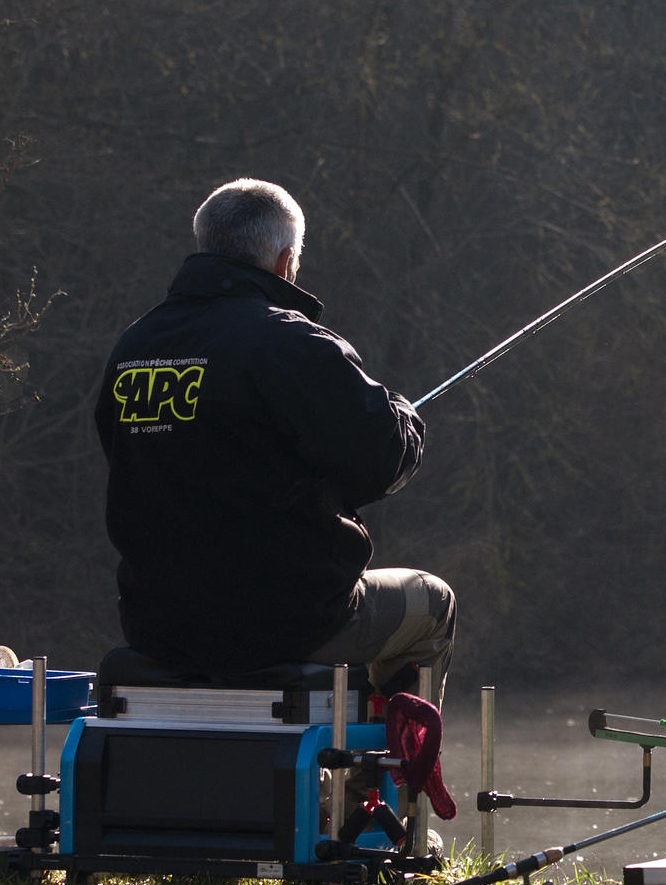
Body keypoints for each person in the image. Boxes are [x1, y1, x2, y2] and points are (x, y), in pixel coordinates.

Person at [95, 177, 455, 705]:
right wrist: (402, 416)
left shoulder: (137, 344)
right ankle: (383, 784)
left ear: (206, 244)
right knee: (434, 603)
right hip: (290, 623)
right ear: (286, 260)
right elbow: (382, 461)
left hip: (156, 625)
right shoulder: (290, 341)